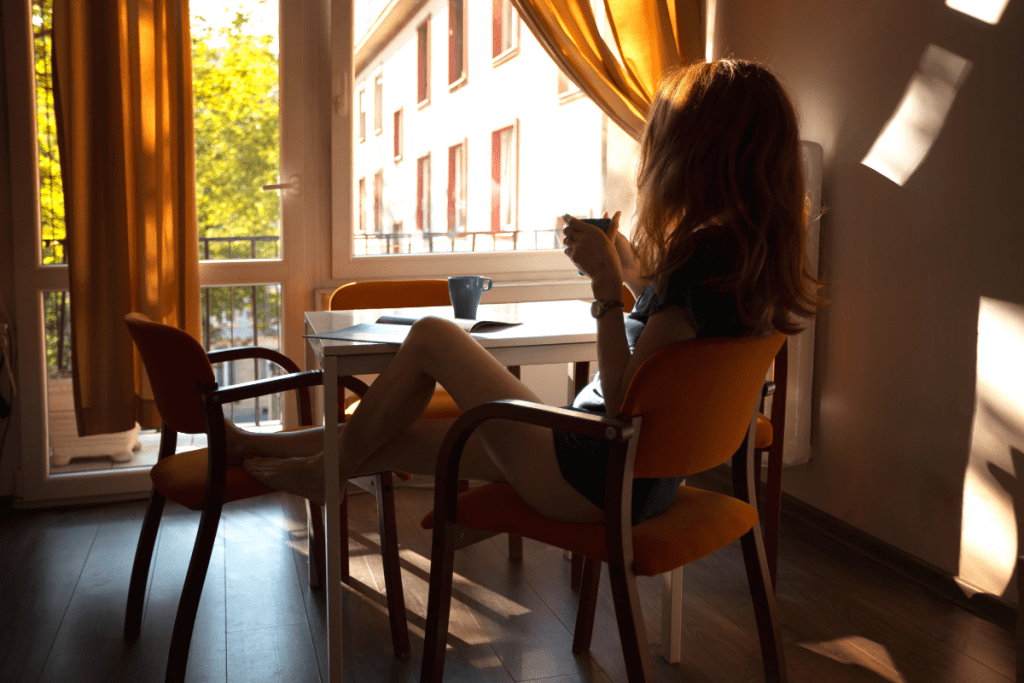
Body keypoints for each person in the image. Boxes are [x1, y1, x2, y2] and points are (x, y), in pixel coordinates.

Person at [237, 59, 823, 525]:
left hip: (589, 473)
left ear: (697, 156)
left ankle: (322, 473)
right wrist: (624, 264)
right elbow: (669, 328)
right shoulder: (742, 261)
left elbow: (625, 405)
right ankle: (273, 453)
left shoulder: (697, 263)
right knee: (393, 436)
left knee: (432, 336)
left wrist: (603, 289)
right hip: (638, 482)